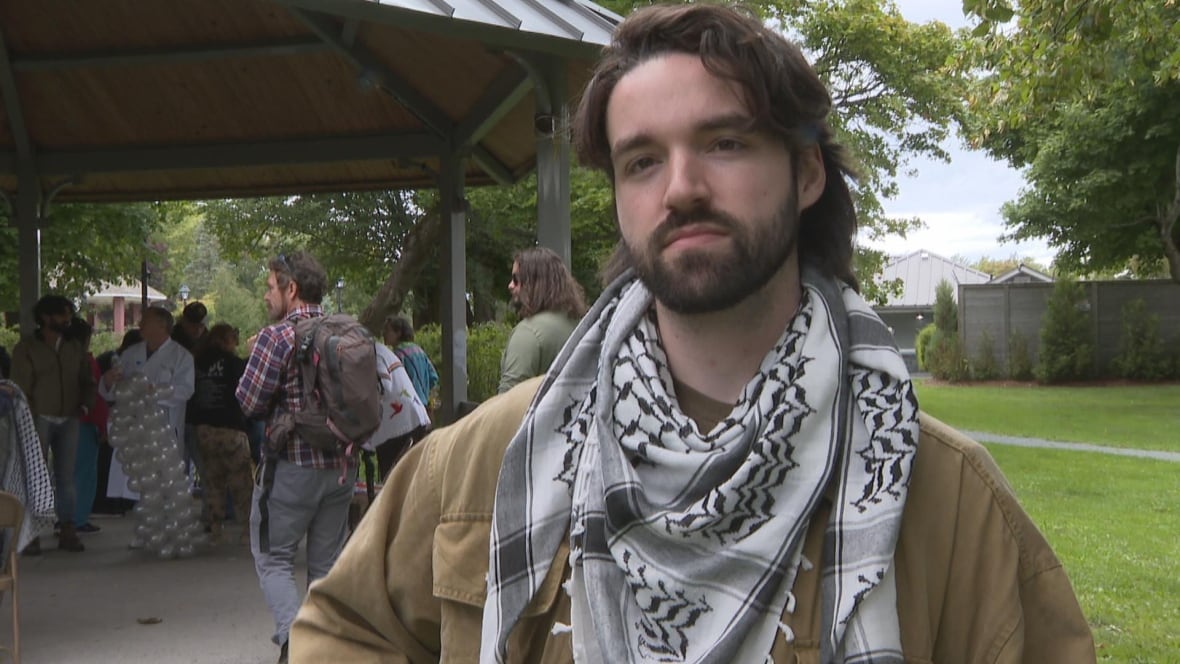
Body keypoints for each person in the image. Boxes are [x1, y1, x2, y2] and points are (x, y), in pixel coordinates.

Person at [292, 5, 1096, 663]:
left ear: (807, 173)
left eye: (726, 143)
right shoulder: (481, 463)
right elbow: (344, 630)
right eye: (642, 162)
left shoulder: (948, 500)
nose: (680, 188)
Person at [236, 251, 357, 664]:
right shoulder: (347, 331)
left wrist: (255, 356)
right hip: (342, 468)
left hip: (291, 466)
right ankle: (324, 648)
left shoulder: (276, 337)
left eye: (271, 286)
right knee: (325, 566)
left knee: (273, 558)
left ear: (292, 289)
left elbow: (249, 402)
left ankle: (296, 643)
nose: (266, 295)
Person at [10, 295, 97, 553]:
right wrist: (27, 414)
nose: (67, 320)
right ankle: (31, 534)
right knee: (34, 476)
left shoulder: (73, 347)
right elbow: (20, 386)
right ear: (45, 318)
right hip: (38, 418)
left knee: (66, 477)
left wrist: (86, 403)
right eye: (62, 315)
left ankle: (68, 528)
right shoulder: (26, 349)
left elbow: (86, 379)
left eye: (69, 315)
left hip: (70, 416)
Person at [99, 307, 195, 502]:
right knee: (134, 487)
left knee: (161, 489)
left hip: (162, 429)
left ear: (161, 325)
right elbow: (115, 390)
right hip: (133, 430)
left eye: (146, 321)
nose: (140, 324)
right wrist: (108, 382)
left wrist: (155, 391)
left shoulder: (181, 356)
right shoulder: (130, 353)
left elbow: (185, 390)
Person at [190, 323, 254, 545]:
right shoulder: (234, 363)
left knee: (213, 480)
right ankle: (247, 530)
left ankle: (215, 529)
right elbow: (246, 393)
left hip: (204, 429)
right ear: (226, 340)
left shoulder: (198, 362)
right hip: (231, 428)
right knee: (241, 482)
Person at [497, 246, 587, 393]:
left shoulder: (528, 332)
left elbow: (508, 399)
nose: (510, 285)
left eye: (516, 279)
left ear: (534, 283)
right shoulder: (582, 325)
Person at [68, 317, 109, 534]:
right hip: (86, 422)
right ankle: (78, 518)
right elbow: (96, 399)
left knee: (67, 473)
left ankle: (66, 517)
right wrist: (103, 425)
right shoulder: (86, 363)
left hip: (66, 421)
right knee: (84, 473)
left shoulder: (61, 361)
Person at [382, 315, 438, 408]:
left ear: (398, 333)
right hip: (422, 405)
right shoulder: (419, 351)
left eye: (387, 330)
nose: (383, 333)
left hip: (407, 406)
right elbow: (433, 377)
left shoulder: (397, 355)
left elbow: (394, 383)